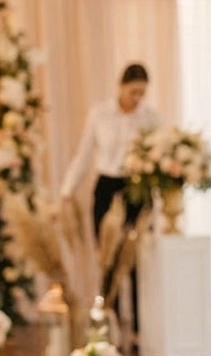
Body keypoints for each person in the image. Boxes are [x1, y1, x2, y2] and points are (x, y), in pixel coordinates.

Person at [61, 64, 160, 337]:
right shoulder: (100, 114)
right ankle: (110, 326)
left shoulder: (150, 117)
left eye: (142, 92)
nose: (137, 97)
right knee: (107, 259)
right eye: (133, 91)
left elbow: (161, 154)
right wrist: (67, 190)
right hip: (106, 187)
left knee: (136, 259)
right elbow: (83, 155)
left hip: (136, 188)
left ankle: (140, 330)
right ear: (121, 86)